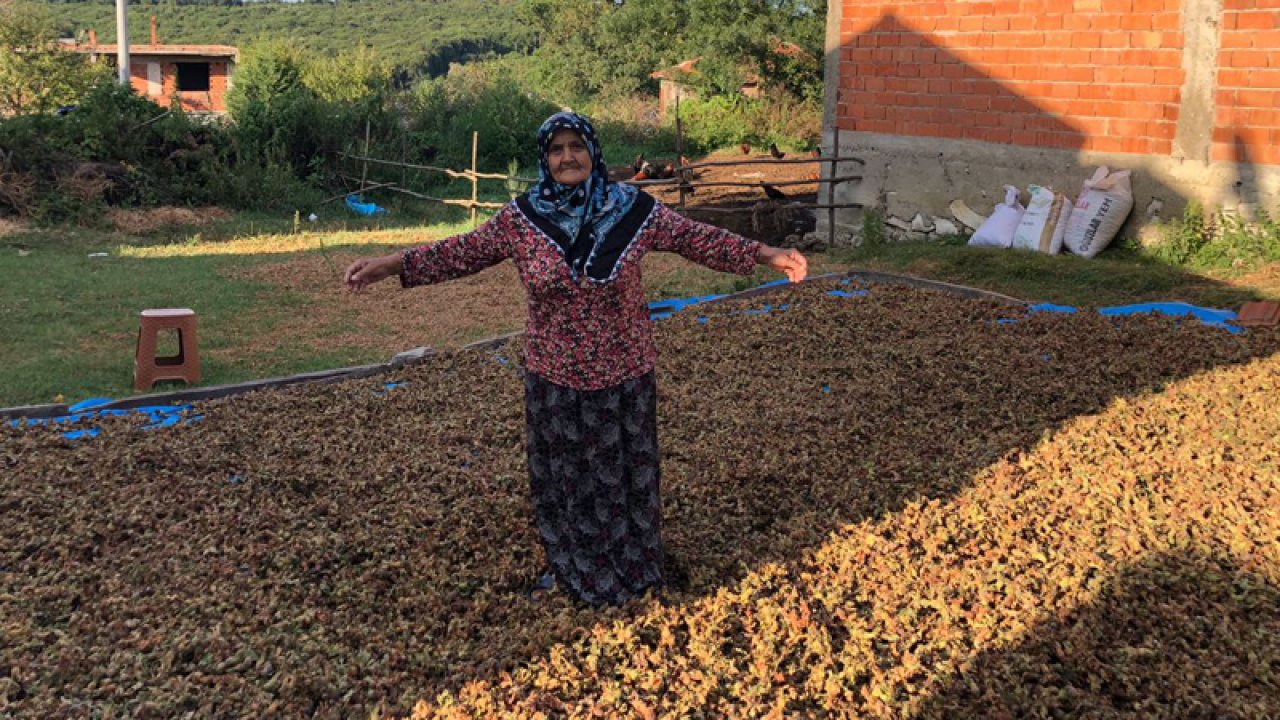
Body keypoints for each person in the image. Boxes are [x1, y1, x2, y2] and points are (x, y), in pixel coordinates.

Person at [343, 111, 807, 606]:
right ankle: (575, 569)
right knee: (567, 481)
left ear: (592, 151)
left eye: (575, 147)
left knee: (626, 479)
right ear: (545, 159)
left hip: (622, 375)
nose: (568, 157)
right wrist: (390, 265)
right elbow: (463, 251)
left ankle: (636, 568)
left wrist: (766, 254)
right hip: (555, 378)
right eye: (556, 149)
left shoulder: (632, 209)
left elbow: (696, 238)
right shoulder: (523, 219)